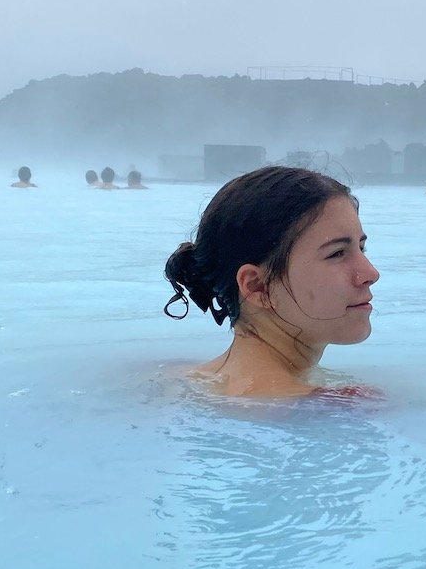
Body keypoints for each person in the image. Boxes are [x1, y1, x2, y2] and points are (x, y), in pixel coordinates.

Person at [162, 166, 379, 399]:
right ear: (258, 287)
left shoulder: (180, 377)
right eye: (337, 253)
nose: (370, 273)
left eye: (361, 248)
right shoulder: (332, 407)